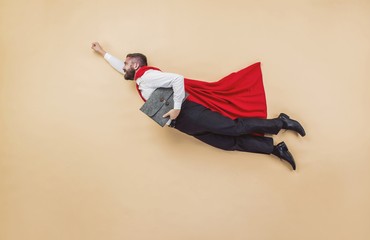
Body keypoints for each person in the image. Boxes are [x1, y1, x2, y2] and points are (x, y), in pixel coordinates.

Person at [91, 42, 306, 170]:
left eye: (127, 64)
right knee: (227, 143)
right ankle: (274, 148)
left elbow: (177, 79)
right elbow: (122, 68)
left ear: (136, 65)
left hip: (188, 113)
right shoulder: (139, 78)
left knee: (234, 128)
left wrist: (176, 108)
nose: (124, 68)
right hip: (182, 124)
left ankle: (281, 121)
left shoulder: (148, 76)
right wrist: (103, 53)